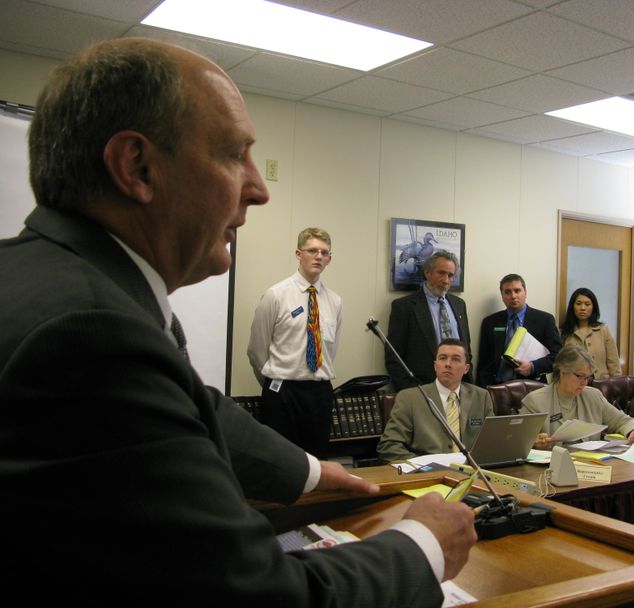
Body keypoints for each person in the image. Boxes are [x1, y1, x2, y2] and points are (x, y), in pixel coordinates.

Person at [0, 38, 476, 604]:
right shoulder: (90, 332)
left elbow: (196, 405)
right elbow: (258, 595)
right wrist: (423, 542)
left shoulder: (58, 278)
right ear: (137, 166)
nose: (259, 188)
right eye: (233, 154)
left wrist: (309, 471)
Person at [247, 227, 341, 459]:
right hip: (283, 392)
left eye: (324, 252)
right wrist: (274, 379)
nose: (318, 256)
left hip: (319, 392)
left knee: (316, 461)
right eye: (312, 251)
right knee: (281, 462)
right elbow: (256, 350)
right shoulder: (276, 295)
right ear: (299, 254)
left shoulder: (335, 301)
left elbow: (331, 350)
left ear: (329, 259)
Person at [378, 339, 494, 463]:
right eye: (443, 358)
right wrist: (424, 466)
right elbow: (389, 447)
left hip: (473, 473)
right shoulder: (409, 398)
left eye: (455, 359)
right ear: (435, 365)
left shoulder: (481, 397)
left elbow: (493, 442)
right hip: (428, 474)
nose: (448, 364)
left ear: (466, 368)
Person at [522, 345, 634, 449]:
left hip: (591, 467)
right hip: (550, 470)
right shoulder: (535, 401)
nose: (584, 383)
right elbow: (518, 443)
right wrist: (534, 443)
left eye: (587, 377)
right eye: (580, 376)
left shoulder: (593, 396)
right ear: (562, 372)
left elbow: (623, 421)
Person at [386, 251, 472, 391]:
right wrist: (410, 390)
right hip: (421, 390)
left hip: (458, 389)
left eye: (450, 275)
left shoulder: (459, 305)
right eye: (441, 273)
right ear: (427, 273)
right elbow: (394, 358)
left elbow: (467, 349)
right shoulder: (405, 307)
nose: (446, 280)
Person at [477, 274, 562, 387]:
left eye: (517, 291)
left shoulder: (544, 320)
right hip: (496, 388)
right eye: (507, 292)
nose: (513, 296)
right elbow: (484, 362)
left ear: (525, 292)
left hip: (532, 388)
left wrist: (533, 367)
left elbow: (559, 357)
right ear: (502, 296)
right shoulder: (490, 322)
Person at [560, 287, 621, 379]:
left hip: (602, 384)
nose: (583, 308)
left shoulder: (603, 330)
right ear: (572, 306)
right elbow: (560, 364)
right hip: (574, 384)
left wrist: (616, 386)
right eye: (578, 304)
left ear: (593, 307)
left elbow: (614, 363)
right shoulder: (563, 332)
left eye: (587, 304)